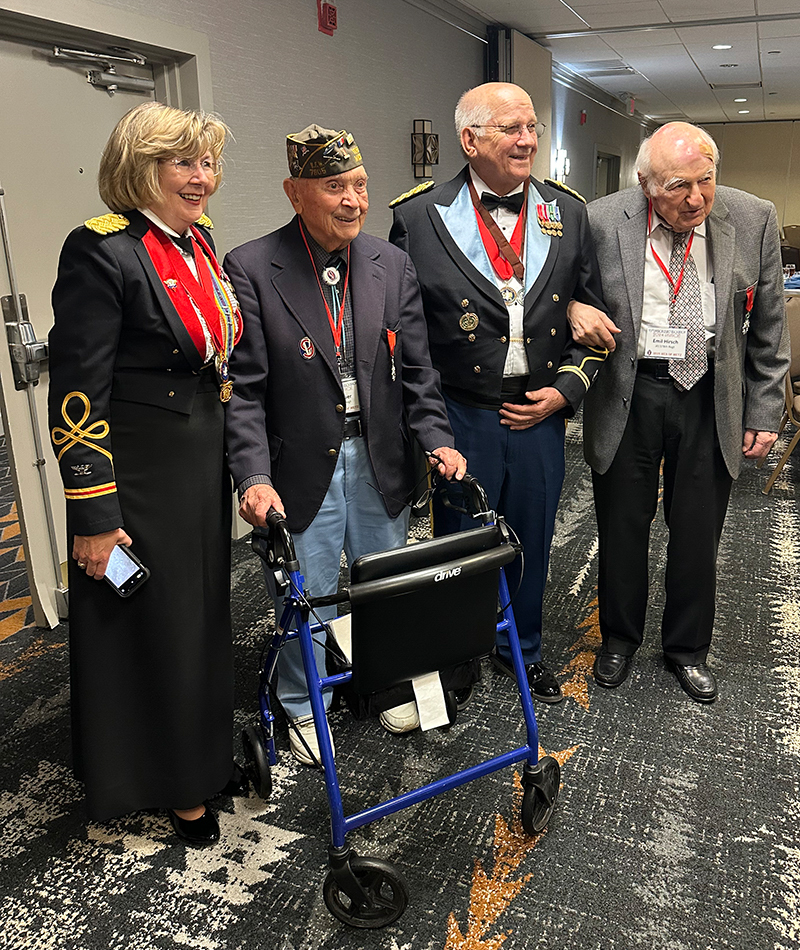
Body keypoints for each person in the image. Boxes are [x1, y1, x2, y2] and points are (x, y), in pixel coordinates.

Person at [223, 125, 465, 764]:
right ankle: (303, 702)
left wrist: (435, 438)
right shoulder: (251, 267)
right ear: (294, 193)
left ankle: (379, 684)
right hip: (300, 463)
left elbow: (418, 370)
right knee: (308, 589)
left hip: (381, 456)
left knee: (385, 585)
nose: (354, 200)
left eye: (359, 185)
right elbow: (242, 389)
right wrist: (252, 476)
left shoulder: (390, 263)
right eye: (335, 187)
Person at [48, 101, 247, 846]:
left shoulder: (196, 243)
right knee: (152, 624)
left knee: (199, 620)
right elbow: (74, 396)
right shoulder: (101, 251)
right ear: (141, 168)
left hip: (195, 462)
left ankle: (198, 756)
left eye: (207, 163)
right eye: (184, 163)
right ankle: (169, 782)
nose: (203, 179)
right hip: (136, 474)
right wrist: (95, 517)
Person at [390, 82, 609, 703]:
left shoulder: (567, 211)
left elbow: (589, 311)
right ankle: (459, 654)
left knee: (533, 536)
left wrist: (567, 390)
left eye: (532, 127)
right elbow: (409, 336)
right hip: (463, 411)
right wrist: (428, 425)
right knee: (459, 538)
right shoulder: (418, 215)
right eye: (511, 128)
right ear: (469, 139)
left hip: (540, 410)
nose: (527, 140)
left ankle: (525, 647)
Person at [577, 121, 789, 702]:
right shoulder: (599, 220)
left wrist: (765, 411)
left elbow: (770, 328)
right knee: (621, 526)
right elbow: (567, 289)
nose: (695, 199)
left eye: (705, 182)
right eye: (678, 187)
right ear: (645, 184)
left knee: (698, 530)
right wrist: (573, 305)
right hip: (630, 389)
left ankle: (687, 648)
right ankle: (619, 638)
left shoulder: (754, 218)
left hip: (710, 394)